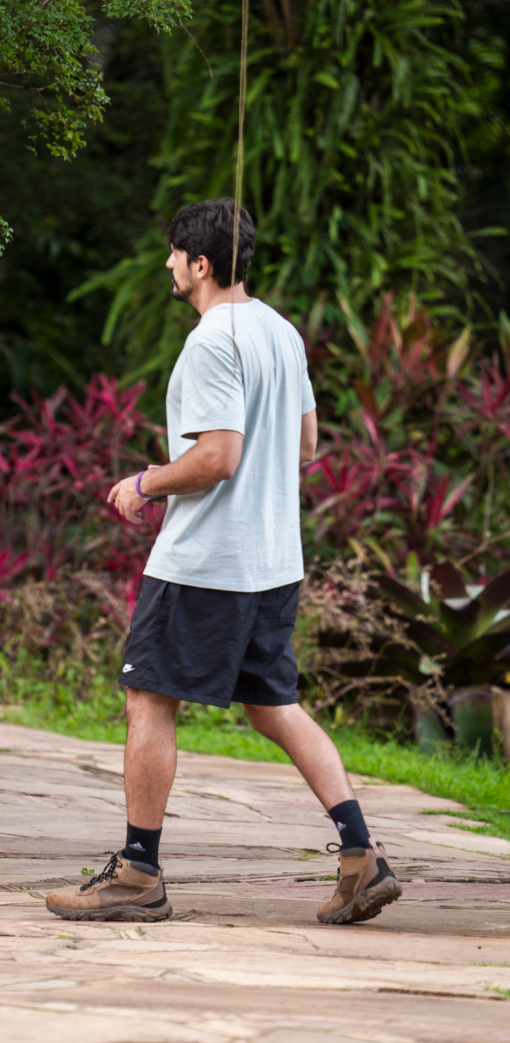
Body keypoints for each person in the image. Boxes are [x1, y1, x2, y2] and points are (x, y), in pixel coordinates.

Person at [45, 198, 402, 926]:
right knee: (275, 706)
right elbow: (305, 446)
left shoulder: (211, 342)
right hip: (271, 562)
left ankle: (138, 873)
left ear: (200, 264)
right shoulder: (280, 330)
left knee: (148, 698)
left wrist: (145, 482)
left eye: (175, 254)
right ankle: (360, 855)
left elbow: (216, 457)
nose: (168, 265)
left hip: (205, 564)